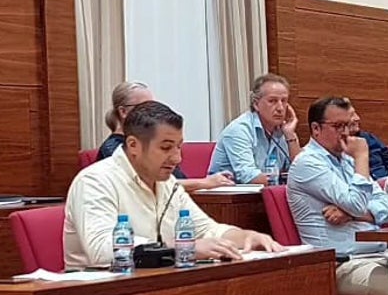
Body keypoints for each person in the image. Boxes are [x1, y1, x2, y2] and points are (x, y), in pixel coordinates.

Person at [66, 101, 282, 268]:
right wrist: (182, 248)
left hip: (156, 285)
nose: (177, 158)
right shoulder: (95, 181)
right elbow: (101, 250)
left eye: (179, 147)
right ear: (133, 145)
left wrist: (245, 237)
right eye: (166, 148)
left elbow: (207, 230)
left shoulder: (167, 183)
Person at [287, 97, 388, 295]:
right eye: (338, 126)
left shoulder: (347, 162)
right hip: (340, 264)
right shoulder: (309, 163)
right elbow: (357, 199)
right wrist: (362, 158)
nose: (347, 133)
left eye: (349, 126)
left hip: (378, 254)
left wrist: (356, 213)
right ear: (316, 129)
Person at [96, 81, 234, 192]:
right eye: (145, 106)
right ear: (123, 111)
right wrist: (204, 183)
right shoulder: (113, 148)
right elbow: (146, 184)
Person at [208, 73, 300, 184]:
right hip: (231, 198)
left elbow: (301, 173)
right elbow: (250, 178)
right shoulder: (239, 130)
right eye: (272, 101)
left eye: (284, 101)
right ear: (256, 104)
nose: (280, 108)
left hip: (266, 195)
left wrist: (290, 135)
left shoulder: (283, 131)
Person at [348, 106, 388, 179]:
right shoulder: (338, 147)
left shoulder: (368, 137)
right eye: (351, 115)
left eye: (356, 113)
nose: (357, 118)